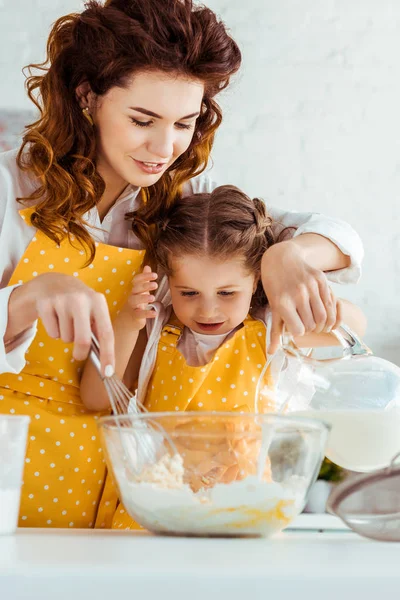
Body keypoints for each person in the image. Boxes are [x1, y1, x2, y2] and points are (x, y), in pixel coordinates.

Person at [0, 0, 363, 529]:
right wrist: (25, 299)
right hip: (12, 477)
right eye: (142, 120)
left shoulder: (183, 199)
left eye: (184, 124)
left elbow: (341, 238)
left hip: (120, 500)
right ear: (87, 96)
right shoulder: (11, 190)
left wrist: (289, 254)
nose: (163, 147)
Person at [80, 185, 366, 529]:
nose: (208, 308)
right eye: (189, 292)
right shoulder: (154, 331)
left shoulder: (272, 329)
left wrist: (293, 290)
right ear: (170, 281)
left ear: (257, 280)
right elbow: (96, 397)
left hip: (244, 513)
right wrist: (128, 320)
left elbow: (355, 325)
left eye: (227, 292)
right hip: (154, 513)